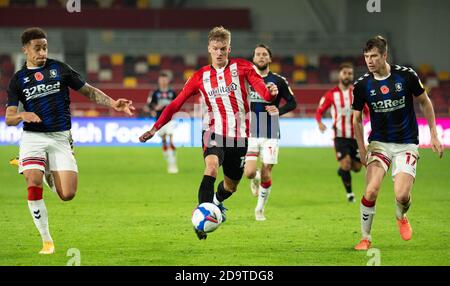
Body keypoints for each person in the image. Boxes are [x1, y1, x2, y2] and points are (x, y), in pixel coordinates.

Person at [139, 26, 278, 240]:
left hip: (240, 137)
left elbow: (263, 93)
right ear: (209, 49)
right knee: (211, 168)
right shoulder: (199, 77)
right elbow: (175, 105)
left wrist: (270, 93)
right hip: (213, 132)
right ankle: (200, 219)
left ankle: (215, 203)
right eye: (216, 49)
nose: (220, 53)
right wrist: (154, 128)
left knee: (230, 187)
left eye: (223, 48)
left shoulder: (243, 68)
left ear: (229, 48)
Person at [5, 27, 135, 254]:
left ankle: (42, 170)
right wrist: (23, 115)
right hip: (33, 137)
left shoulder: (60, 69)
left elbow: (89, 91)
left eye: (45, 47)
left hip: (60, 137)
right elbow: (9, 118)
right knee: (32, 182)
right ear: (25, 50)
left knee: (67, 195)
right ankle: (47, 241)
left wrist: (113, 103)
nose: (42, 52)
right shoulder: (18, 80)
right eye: (37, 48)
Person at [352, 35, 443, 250]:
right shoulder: (363, 85)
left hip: (406, 143)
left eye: (374, 56)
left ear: (385, 55)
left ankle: (401, 215)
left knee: (402, 195)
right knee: (371, 190)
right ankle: (365, 238)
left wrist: (434, 133)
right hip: (379, 143)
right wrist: (362, 149)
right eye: (366, 56)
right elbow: (356, 119)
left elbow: (425, 102)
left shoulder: (406, 76)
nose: (369, 61)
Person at [243, 44, 297, 221]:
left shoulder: (278, 80)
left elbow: (292, 102)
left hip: (271, 133)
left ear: (270, 59)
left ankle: (259, 209)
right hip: (250, 132)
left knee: (267, 172)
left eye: (264, 54)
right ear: (253, 58)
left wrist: (278, 111)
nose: (260, 57)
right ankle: (255, 178)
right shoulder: (246, 79)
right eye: (257, 54)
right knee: (250, 172)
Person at [316, 62, 369, 203]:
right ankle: (350, 194)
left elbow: (367, 110)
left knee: (357, 168)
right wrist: (319, 122)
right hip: (339, 135)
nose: (347, 75)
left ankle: (342, 171)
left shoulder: (357, 93)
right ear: (340, 74)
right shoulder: (331, 94)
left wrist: (372, 122)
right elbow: (320, 110)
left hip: (355, 136)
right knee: (346, 163)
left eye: (350, 73)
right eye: (345, 73)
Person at [144, 71, 179, 174]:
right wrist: (155, 107)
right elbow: (149, 105)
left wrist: (171, 107)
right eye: (161, 79)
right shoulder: (155, 93)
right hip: (159, 120)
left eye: (165, 79)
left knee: (171, 139)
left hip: (170, 120)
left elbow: (177, 103)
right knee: (164, 140)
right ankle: (169, 159)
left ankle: (173, 164)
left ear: (168, 80)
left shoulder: (172, 92)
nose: (163, 81)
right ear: (159, 80)